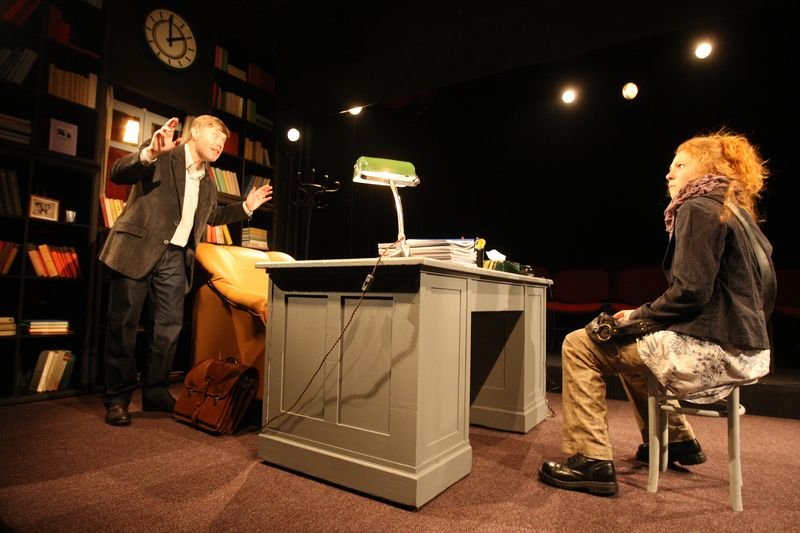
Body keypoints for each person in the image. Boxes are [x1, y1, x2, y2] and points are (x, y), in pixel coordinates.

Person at [538, 129, 775, 496]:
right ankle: (678, 441)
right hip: (747, 349)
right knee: (638, 347)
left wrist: (637, 316)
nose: (669, 173)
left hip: (713, 349)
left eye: (679, 165)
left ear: (707, 169)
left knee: (579, 344)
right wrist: (641, 317)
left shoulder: (698, 208)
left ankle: (590, 461)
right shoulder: (739, 214)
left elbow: (691, 292)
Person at [99, 115, 273, 426]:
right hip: (137, 249)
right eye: (215, 134)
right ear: (194, 132)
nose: (220, 143)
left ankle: (155, 391)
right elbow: (118, 172)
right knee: (123, 325)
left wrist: (246, 207)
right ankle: (117, 399)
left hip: (176, 257)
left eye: (224, 140)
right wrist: (150, 152)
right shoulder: (163, 154)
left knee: (168, 329)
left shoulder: (207, 182)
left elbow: (212, 216)